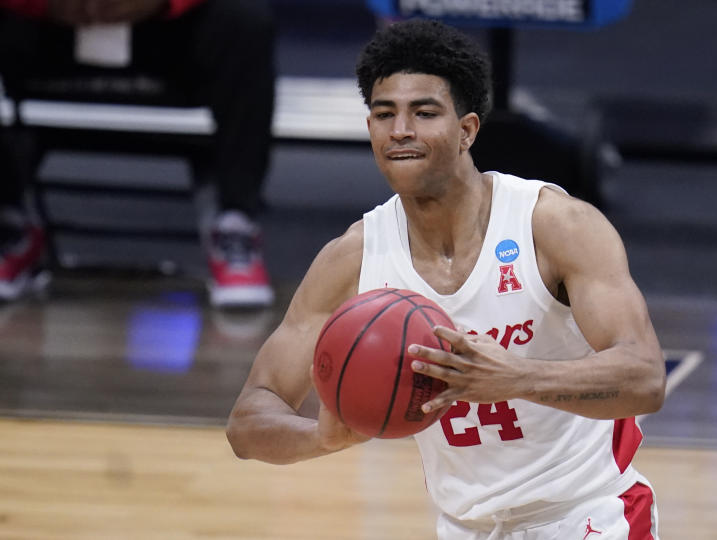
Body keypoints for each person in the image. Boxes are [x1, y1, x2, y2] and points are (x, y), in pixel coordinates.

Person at [226, 19, 666, 539]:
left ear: (468, 130)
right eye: (384, 114)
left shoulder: (553, 225)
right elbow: (248, 422)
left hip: (589, 514)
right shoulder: (354, 258)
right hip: (465, 526)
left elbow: (645, 376)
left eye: (424, 112)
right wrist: (320, 437)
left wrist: (516, 378)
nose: (401, 130)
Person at [0, 0, 276, 308]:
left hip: (167, 32)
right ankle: (9, 224)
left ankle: (235, 223)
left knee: (245, 20)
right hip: (46, 26)